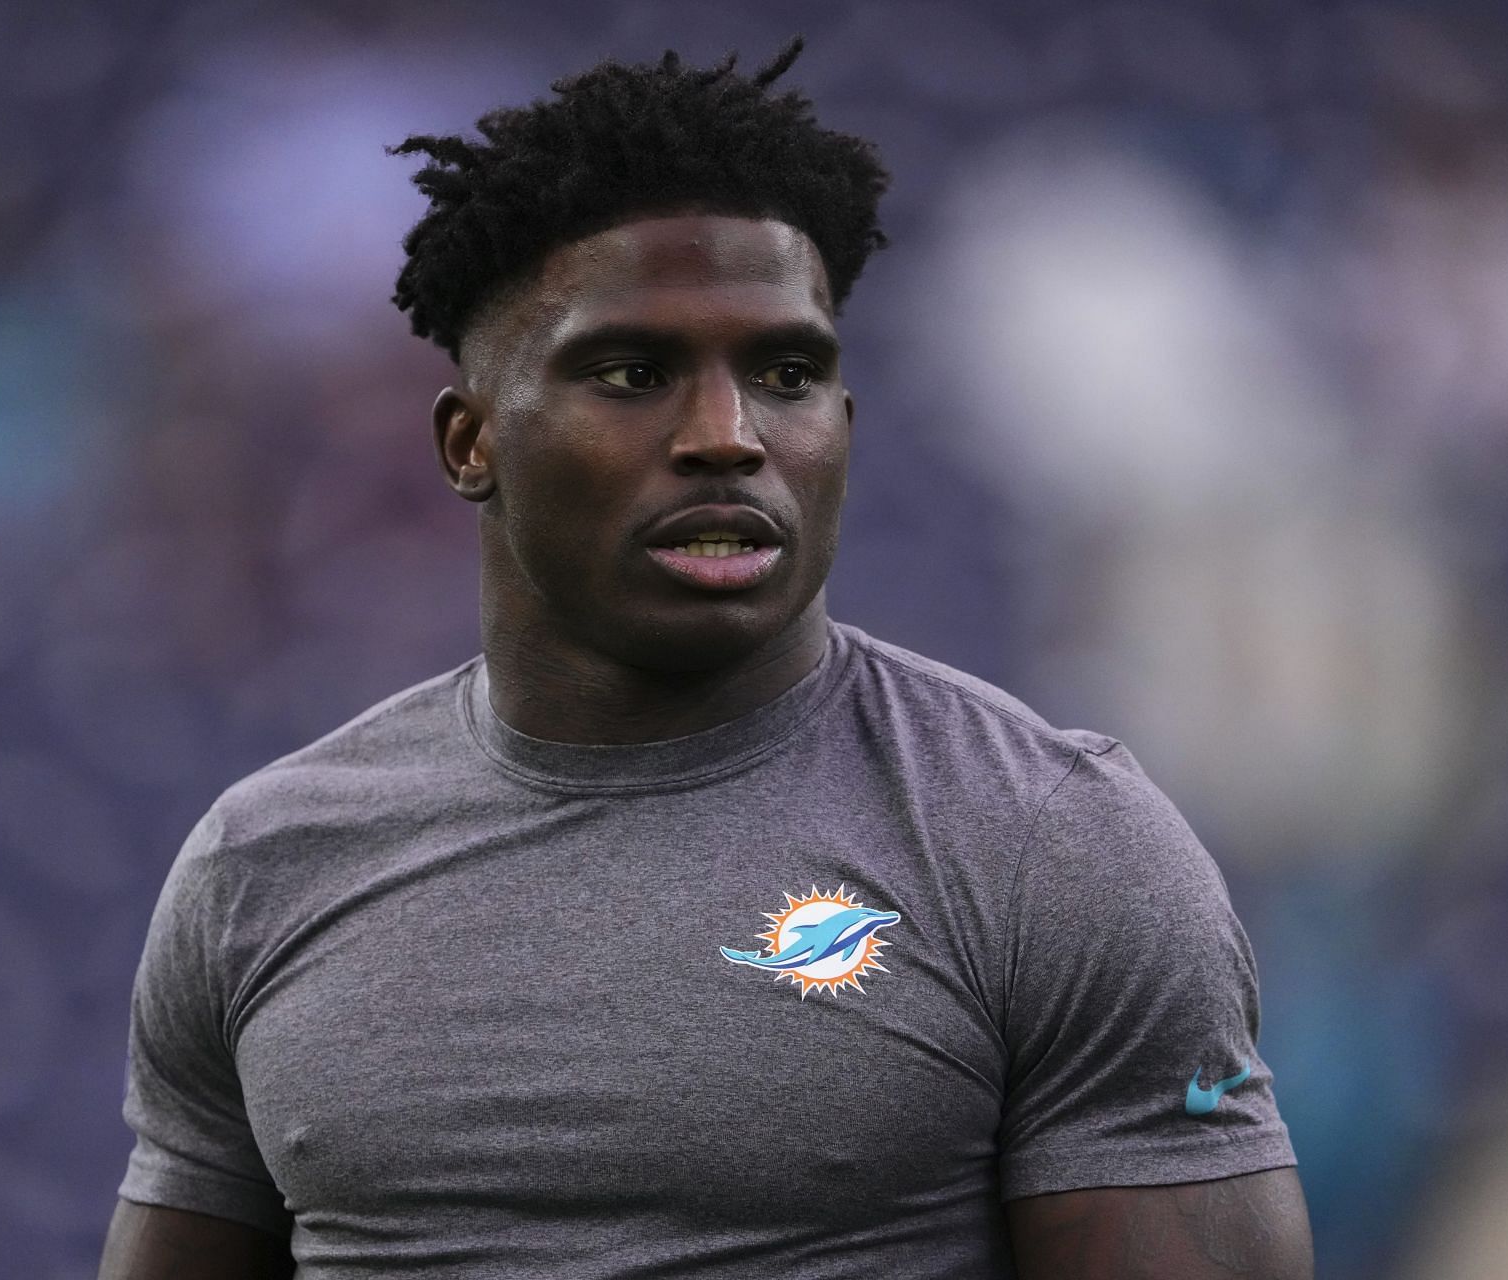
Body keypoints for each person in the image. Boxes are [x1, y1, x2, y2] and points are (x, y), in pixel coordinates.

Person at [98, 41, 1312, 1279]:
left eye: (787, 374)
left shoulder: (1050, 845)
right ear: (470, 442)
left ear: (842, 426)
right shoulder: (263, 868)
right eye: (634, 373)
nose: (726, 437)